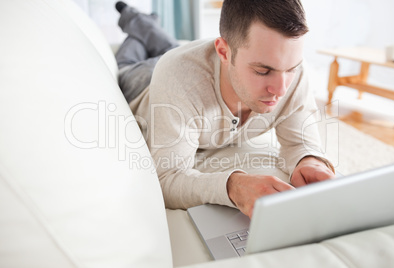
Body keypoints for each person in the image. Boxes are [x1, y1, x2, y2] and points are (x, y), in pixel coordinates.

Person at [115, 0, 336, 218]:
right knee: (128, 60)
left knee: (167, 46)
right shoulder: (178, 78)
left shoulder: (294, 75)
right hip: (142, 81)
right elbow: (167, 177)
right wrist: (233, 186)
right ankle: (133, 18)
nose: (281, 89)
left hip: (193, 62)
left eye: (291, 69)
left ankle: (145, 25)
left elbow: (300, 143)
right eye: (262, 71)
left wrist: (309, 161)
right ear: (223, 51)